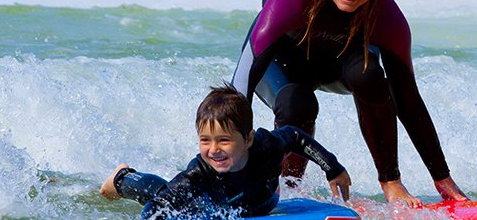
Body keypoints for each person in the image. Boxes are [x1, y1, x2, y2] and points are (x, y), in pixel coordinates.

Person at [231, 0, 468, 208]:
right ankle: (287, 188)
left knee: (368, 74)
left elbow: (408, 101)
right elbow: (240, 86)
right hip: (282, 66)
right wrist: (231, 169)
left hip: (340, 65)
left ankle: (391, 182)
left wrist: (442, 178)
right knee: (297, 101)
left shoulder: (388, 20)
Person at [99, 83, 351, 219]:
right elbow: (156, 209)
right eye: (205, 140)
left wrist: (333, 168)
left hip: (262, 205)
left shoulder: (266, 147)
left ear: (248, 139)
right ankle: (123, 178)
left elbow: (297, 137)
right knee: (166, 195)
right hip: (209, 207)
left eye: (224, 140)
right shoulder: (198, 174)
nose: (214, 150)